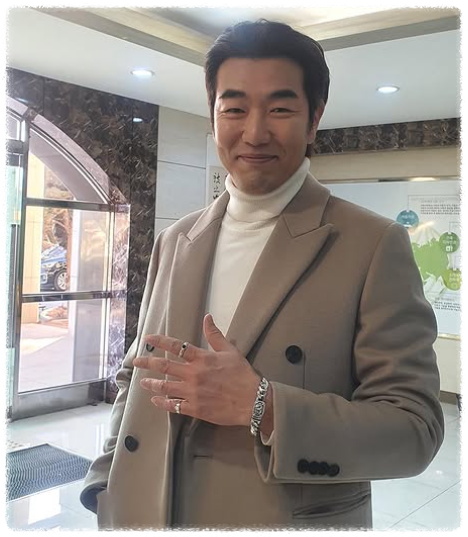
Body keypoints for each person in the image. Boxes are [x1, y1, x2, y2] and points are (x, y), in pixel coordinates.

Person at [80, 19, 444, 530]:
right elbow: (136, 375)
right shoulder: (176, 239)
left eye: (279, 109)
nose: (254, 133)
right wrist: (105, 485)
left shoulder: (371, 244)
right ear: (213, 117)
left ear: (314, 119)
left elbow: (415, 429)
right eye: (234, 108)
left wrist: (263, 406)